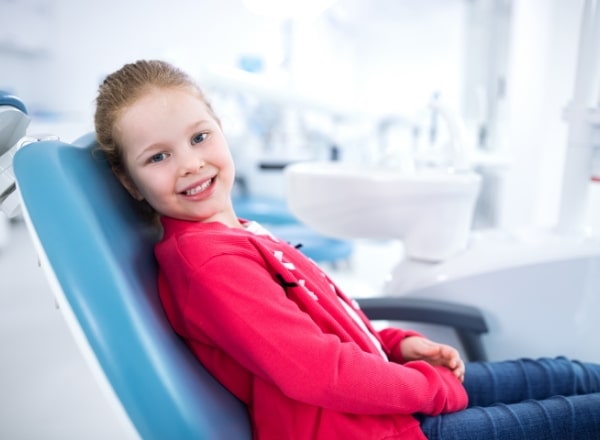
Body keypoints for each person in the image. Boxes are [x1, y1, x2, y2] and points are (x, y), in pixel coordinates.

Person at [94, 59, 600, 440]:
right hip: (368, 431)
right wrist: (432, 388)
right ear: (130, 181)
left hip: (379, 402)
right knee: (581, 413)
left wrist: (396, 344)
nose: (189, 163)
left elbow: (325, 316)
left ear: (221, 131)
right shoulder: (210, 265)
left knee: (565, 375)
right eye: (159, 156)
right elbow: (318, 371)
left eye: (199, 137)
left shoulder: (238, 232)